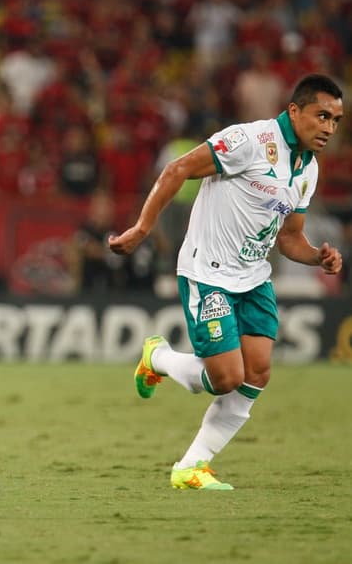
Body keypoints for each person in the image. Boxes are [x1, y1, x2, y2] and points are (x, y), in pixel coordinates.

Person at [108, 73, 344, 489]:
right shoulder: (248, 141)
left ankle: (191, 467)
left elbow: (289, 238)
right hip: (209, 272)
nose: (328, 127)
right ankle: (158, 358)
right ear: (295, 111)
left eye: (336, 120)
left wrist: (318, 258)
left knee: (258, 372)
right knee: (226, 378)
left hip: (253, 278)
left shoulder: (308, 170)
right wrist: (143, 228)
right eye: (321, 115)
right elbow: (178, 168)